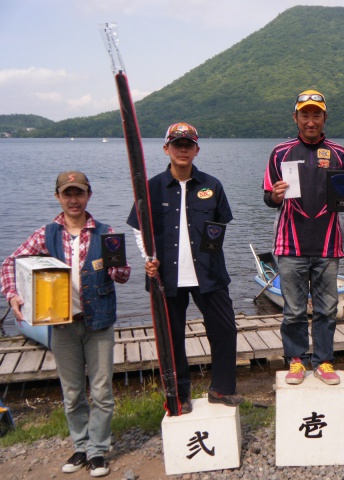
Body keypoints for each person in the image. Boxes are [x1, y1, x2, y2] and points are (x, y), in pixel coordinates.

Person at [1, 171, 130, 477]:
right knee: (72, 393)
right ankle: (81, 446)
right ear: (58, 196)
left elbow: (123, 276)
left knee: (101, 392)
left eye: (79, 193)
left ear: (89, 195)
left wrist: (118, 269)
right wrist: (13, 294)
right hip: (61, 325)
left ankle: (98, 450)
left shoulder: (105, 232)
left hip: (98, 323)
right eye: (67, 194)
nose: (74, 200)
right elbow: (10, 262)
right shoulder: (46, 234)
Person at [126, 123, 241, 413]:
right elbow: (140, 229)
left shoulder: (211, 185)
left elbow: (219, 225)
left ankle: (221, 389)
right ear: (166, 148)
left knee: (224, 330)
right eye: (177, 144)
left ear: (196, 150)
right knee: (171, 338)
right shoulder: (150, 187)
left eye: (188, 145)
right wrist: (147, 258)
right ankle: (178, 395)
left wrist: (211, 256)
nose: (182, 149)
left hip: (209, 274)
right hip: (166, 276)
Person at [263, 89, 344, 385]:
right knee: (293, 310)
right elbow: (268, 198)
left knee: (328, 309)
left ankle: (324, 361)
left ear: (325, 118)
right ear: (295, 117)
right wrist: (275, 196)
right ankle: (297, 360)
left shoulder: (339, 153)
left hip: (328, 245)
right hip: (290, 245)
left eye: (316, 115)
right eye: (305, 115)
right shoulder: (280, 152)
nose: (310, 121)